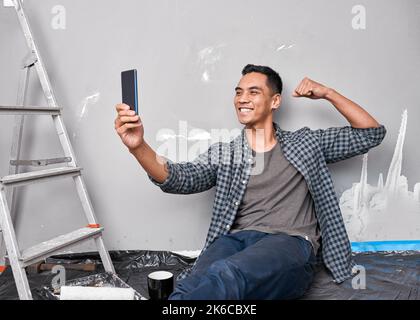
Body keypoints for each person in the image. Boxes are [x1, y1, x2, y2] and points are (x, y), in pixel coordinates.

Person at [114, 64, 386, 299]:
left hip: (290, 243)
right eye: (238, 92)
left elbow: (371, 134)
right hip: (236, 241)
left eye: (253, 92)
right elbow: (180, 177)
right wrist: (139, 147)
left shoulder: (306, 143)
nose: (242, 99)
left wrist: (328, 93)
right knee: (196, 280)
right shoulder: (226, 153)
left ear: (275, 101)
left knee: (226, 273)